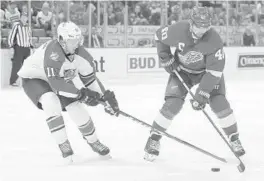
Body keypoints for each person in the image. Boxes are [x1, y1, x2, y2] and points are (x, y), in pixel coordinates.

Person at [144, 6, 245, 161]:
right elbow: (159, 36)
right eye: (199, 26)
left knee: (219, 101)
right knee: (173, 103)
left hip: (206, 73)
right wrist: (165, 56)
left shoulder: (214, 40)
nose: (202, 31)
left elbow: (214, 72)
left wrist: (202, 94)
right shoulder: (178, 29)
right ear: (191, 23)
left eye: (206, 27)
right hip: (182, 71)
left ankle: (234, 138)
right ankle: (154, 138)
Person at [17, 21, 119, 162]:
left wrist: (104, 98)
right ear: (61, 40)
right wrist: (81, 94)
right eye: (72, 40)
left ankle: (94, 141)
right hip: (34, 78)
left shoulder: (82, 55)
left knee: (76, 106)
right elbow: (57, 86)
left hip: (58, 78)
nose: (76, 44)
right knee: (50, 101)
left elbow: (90, 81)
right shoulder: (53, 53)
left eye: (78, 40)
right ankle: (63, 143)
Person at [8, 11, 33, 86]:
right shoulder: (17, 25)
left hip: (27, 48)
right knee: (17, 65)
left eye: (25, 17)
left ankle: (27, 81)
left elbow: (30, 37)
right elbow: (11, 36)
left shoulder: (28, 27)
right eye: (23, 17)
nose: (24, 18)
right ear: (20, 18)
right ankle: (12, 81)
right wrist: (11, 46)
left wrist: (31, 46)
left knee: (27, 65)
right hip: (19, 48)